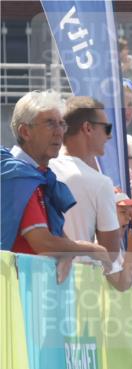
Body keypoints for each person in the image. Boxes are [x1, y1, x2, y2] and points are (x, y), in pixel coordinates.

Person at [2, 90, 110, 266]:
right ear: (25, 131)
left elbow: (56, 238)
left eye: (62, 124)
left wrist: (67, 252)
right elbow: (44, 243)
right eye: (50, 124)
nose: (59, 132)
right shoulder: (18, 176)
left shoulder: (38, 175)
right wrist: (90, 249)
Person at [48, 96, 121, 255]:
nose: (109, 136)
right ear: (88, 128)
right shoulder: (100, 183)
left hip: (35, 273)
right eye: (107, 128)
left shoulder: (41, 168)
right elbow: (112, 254)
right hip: (79, 276)